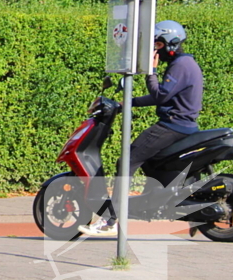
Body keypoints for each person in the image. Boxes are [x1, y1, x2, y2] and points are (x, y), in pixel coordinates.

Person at [79, 20, 203, 236]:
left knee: (126, 161)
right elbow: (164, 97)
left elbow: (160, 95)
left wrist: (151, 72)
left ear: (171, 44)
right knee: (153, 165)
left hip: (173, 125)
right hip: (183, 125)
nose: (155, 49)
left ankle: (110, 220)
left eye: (158, 45)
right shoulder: (185, 64)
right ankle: (166, 204)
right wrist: (128, 103)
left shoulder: (180, 66)